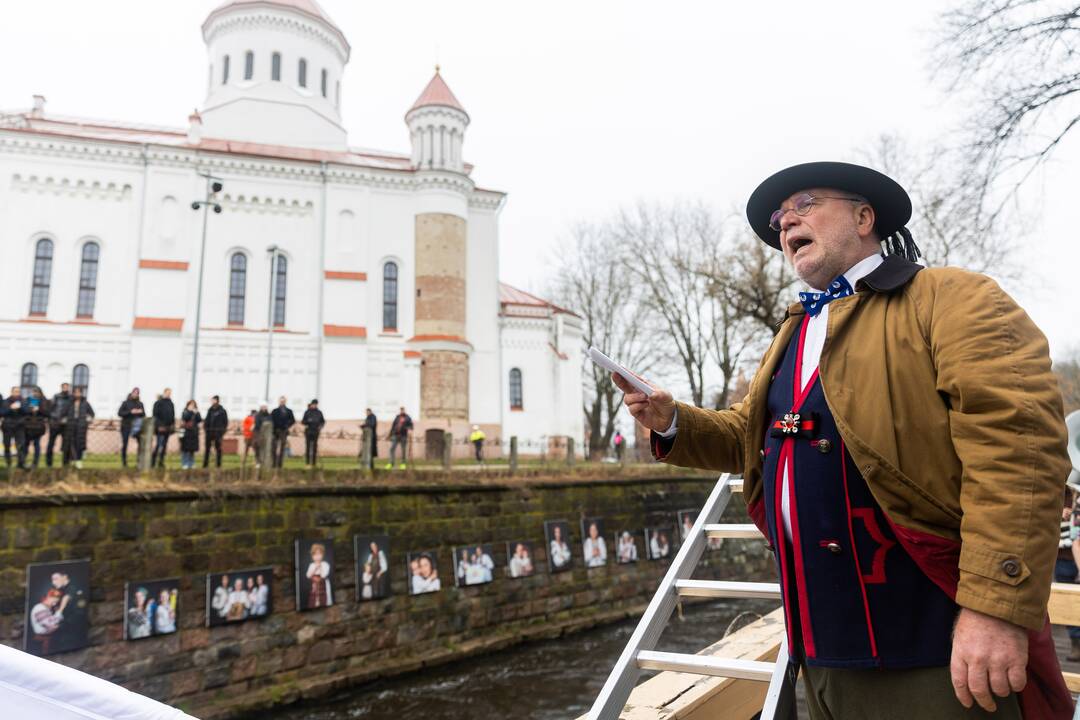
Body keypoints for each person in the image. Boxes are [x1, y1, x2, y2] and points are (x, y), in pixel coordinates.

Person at [618, 161, 1072, 718]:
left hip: (939, 648)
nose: (785, 222)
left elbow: (1018, 451)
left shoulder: (952, 297)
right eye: (778, 220)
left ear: (864, 216)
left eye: (804, 204)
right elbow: (752, 437)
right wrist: (670, 421)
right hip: (826, 653)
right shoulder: (795, 329)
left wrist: (995, 611)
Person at [65, 387, 94, 469]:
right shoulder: (70, 403)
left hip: (81, 426)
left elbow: (92, 413)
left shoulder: (85, 403)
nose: (77, 394)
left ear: (81, 393)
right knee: (71, 443)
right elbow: (64, 412)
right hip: (71, 425)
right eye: (75, 392)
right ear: (73, 393)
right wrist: (64, 419)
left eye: (79, 392)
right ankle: (71, 460)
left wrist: (88, 419)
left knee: (80, 444)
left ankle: (78, 460)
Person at [117, 388, 144, 468]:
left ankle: (139, 462)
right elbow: (120, 413)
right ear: (131, 393)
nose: (135, 394)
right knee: (125, 444)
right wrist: (130, 412)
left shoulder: (140, 404)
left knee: (141, 444)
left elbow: (143, 414)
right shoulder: (125, 403)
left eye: (137, 393)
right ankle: (124, 462)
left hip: (137, 428)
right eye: (134, 393)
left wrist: (140, 412)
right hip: (126, 426)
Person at [45, 382, 71, 467]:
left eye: (67, 387)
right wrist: (55, 419)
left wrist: (66, 418)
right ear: (61, 388)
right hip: (55, 424)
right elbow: (51, 409)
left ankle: (65, 463)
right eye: (64, 387)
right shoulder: (56, 397)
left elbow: (71, 410)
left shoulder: (71, 398)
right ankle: (49, 463)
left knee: (66, 444)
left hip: (66, 425)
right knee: (51, 443)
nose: (65, 389)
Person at [22, 387, 49, 469]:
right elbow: (23, 410)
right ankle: (23, 462)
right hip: (28, 426)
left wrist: (39, 409)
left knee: (36, 444)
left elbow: (47, 412)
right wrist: (30, 410)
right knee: (26, 444)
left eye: (37, 392)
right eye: (34, 392)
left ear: (40, 392)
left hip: (38, 426)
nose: (35, 393)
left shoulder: (44, 401)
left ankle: (35, 463)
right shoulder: (27, 400)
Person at [150, 389, 175, 469]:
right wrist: (159, 426)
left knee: (164, 446)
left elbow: (172, 415)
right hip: (160, 428)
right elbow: (155, 416)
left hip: (167, 428)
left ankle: (161, 462)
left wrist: (171, 425)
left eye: (170, 393)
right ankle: (153, 462)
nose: (169, 394)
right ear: (164, 393)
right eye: (167, 393)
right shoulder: (158, 403)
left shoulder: (171, 403)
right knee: (158, 445)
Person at [2, 386, 26, 469]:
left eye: (18, 392)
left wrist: (20, 408)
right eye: (15, 391)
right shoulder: (6, 401)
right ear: (11, 392)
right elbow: (2, 412)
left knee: (20, 445)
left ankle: (21, 463)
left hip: (19, 426)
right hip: (7, 426)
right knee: (7, 445)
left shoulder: (23, 401)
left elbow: (26, 412)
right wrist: (10, 408)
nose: (17, 393)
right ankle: (8, 463)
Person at [203, 395, 228, 468]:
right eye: (212, 400)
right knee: (207, 449)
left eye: (213, 400)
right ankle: (205, 465)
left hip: (218, 433)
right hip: (209, 433)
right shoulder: (210, 410)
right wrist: (206, 429)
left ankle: (218, 465)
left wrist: (222, 432)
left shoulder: (222, 411)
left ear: (217, 401)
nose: (212, 402)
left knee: (218, 449)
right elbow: (207, 420)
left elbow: (225, 422)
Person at [270, 396, 295, 469]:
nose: (282, 402)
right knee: (274, 447)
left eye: (283, 401)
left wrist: (287, 425)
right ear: (279, 402)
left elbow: (292, 420)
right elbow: (271, 420)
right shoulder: (275, 411)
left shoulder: (289, 411)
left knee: (282, 448)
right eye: (281, 401)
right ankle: (274, 463)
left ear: (285, 402)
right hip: (275, 431)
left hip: (284, 431)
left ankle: (280, 464)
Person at [305, 543, 332, 608]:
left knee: (323, 601)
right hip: (314, 587)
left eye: (319, 554)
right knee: (313, 601)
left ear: (322, 555)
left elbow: (324, 575)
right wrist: (315, 568)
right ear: (312, 556)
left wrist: (320, 567)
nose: (317, 556)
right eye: (315, 554)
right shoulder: (311, 565)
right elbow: (308, 575)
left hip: (323, 586)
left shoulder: (325, 564)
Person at [301, 399, 325, 467]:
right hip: (308, 431)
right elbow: (303, 421)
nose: (314, 405)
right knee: (308, 447)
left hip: (316, 431)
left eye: (315, 404)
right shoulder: (307, 412)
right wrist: (308, 422)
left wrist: (320, 427)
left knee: (314, 447)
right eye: (313, 404)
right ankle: (307, 463)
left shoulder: (319, 412)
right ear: (311, 404)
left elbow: (322, 421)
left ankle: (314, 463)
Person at [179, 400, 201, 470]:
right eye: (190, 405)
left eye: (193, 405)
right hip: (187, 433)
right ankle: (185, 463)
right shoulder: (185, 412)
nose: (192, 407)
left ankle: (191, 463)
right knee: (185, 449)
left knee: (192, 450)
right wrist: (191, 412)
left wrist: (196, 413)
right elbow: (185, 418)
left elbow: (199, 420)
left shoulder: (196, 412)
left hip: (194, 433)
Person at [253, 402, 270, 468]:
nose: (264, 408)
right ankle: (258, 461)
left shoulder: (269, 415)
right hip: (258, 433)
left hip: (267, 435)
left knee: (266, 448)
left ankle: (265, 462)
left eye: (265, 406)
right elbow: (257, 424)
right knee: (257, 446)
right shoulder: (257, 415)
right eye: (262, 406)